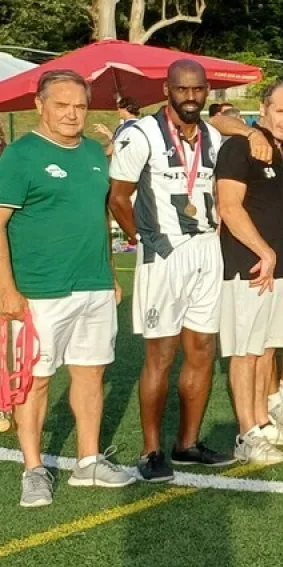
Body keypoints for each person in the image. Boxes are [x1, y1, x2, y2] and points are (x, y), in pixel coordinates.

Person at [0, 70, 134, 507]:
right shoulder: (20, 156)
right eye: (62, 105)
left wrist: (110, 274)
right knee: (35, 381)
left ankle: (88, 461)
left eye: (80, 106)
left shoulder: (92, 152)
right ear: (40, 106)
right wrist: (7, 292)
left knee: (91, 372)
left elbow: (100, 218)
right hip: (40, 290)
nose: (72, 114)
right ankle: (33, 468)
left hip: (94, 286)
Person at [107, 60, 230, 482]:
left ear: (206, 90)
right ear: (167, 89)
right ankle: (151, 450)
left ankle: (187, 443)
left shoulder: (212, 135)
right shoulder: (141, 135)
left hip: (207, 250)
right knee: (161, 355)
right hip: (164, 254)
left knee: (201, 350)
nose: (190, 96)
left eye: (197, 89)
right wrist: (146, 240)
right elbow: (118, 197)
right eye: (182, 89)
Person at [214, 80, 283, 464]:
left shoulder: (279, 149)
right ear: (263, 108)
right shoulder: (241, 146)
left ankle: (262, 421)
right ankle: (246, 434)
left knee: (265, 350)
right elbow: (230, 207)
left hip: (279, 267)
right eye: (281, 111)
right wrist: (264, 251)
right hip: (250, 265)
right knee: (244, 352)